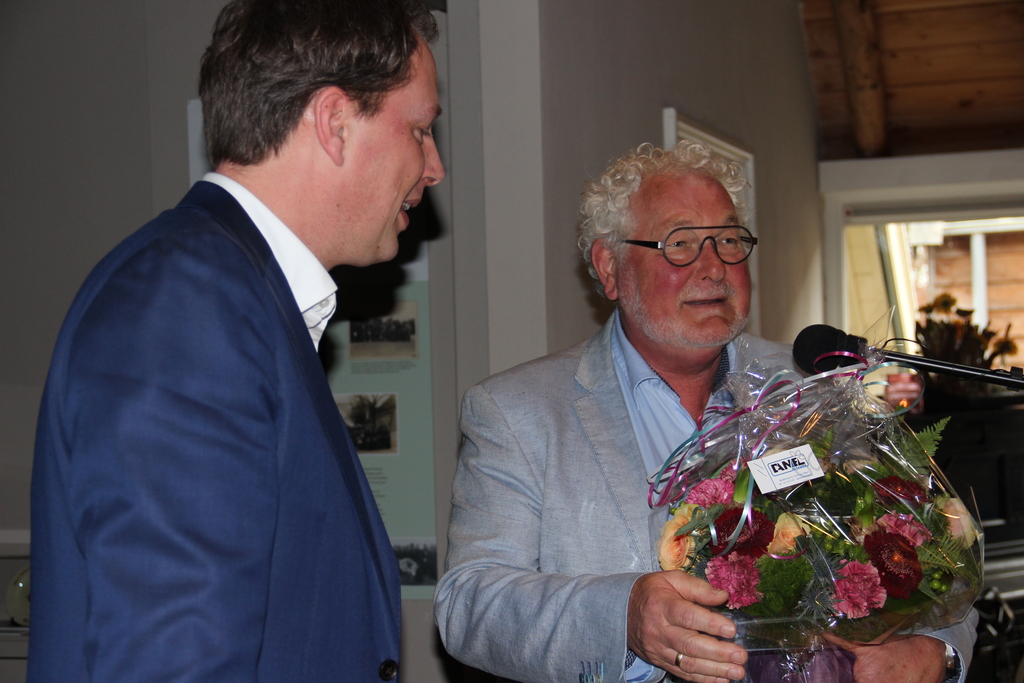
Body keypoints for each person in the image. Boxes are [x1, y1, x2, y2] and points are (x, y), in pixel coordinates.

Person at [434, 141, 975, 683]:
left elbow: (934, 553)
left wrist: (935, 654)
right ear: (610, 267)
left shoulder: (814, 390)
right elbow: (470, 602)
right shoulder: (517, 412)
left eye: (730, 241)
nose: (715, 267)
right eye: (681, 244)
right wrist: (624, 617)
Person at [28, 1, 443, 680]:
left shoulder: (234, 294)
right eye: (421, 130)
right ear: (335, 122)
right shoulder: (187, 303)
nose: (434, 167)